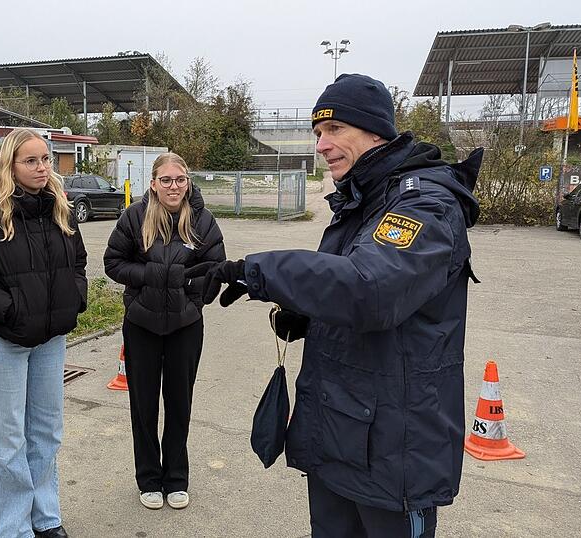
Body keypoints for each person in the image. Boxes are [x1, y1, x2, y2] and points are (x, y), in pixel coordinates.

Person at [202, 74, 482, 538]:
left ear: (376, 132)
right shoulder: (361, 202)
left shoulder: (424, 205)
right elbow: (346, 288)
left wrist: (260, 271)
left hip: (394, 449)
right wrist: (308, 311)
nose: (322, 145)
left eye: (334, 130)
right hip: (340, 433)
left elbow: (370, 290)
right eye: (317, 133)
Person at [0, 128, 87, 538]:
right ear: (10, 165)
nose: (42, 167)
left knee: (45, 431)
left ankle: (45, 518)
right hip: (4, 342)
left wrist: (74, 297)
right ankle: (12, 528)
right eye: (31, 160)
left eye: (45, 158)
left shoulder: (60, 208)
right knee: (7, 439)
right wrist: (7, 309)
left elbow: (78, 260)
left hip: (51, 339)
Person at [103, 153, 225, 511]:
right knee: (143, 405)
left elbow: (216, 268)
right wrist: (148, 279)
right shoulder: (134, 217)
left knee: (179, 403)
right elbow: (113, 262)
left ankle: (176, 479)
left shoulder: (202, 220)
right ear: (153, 184)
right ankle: (149, 479)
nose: (174, 186)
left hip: (185, 327)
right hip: (141, 324)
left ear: (188, 182)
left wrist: (192, 297)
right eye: (166, 180)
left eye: (180, 179)